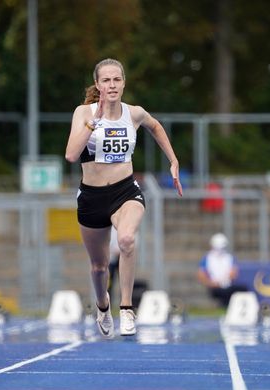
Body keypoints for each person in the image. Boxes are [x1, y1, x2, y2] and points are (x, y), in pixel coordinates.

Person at [65, 58, 183, 338]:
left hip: (125, 191)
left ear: (124, 83)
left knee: (128, 239)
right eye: (106, 80)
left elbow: (155, 127)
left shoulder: (135, 113)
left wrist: (173, 160)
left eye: (116, 79)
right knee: (99, 266)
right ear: (97, 84)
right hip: (92, 197)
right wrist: (93, 124)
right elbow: (71, 155)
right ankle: (103, 305)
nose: (112, 85)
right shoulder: (84, 112)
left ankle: (127, 307)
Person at [197, 233, 249, 307]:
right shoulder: (207, 258)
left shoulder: (229, 257)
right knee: (222, 292)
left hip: (227, 285)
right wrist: (211, 283)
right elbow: (201, 275)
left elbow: (234, 272)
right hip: (214, 286)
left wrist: (224, 281)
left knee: (243, 289)